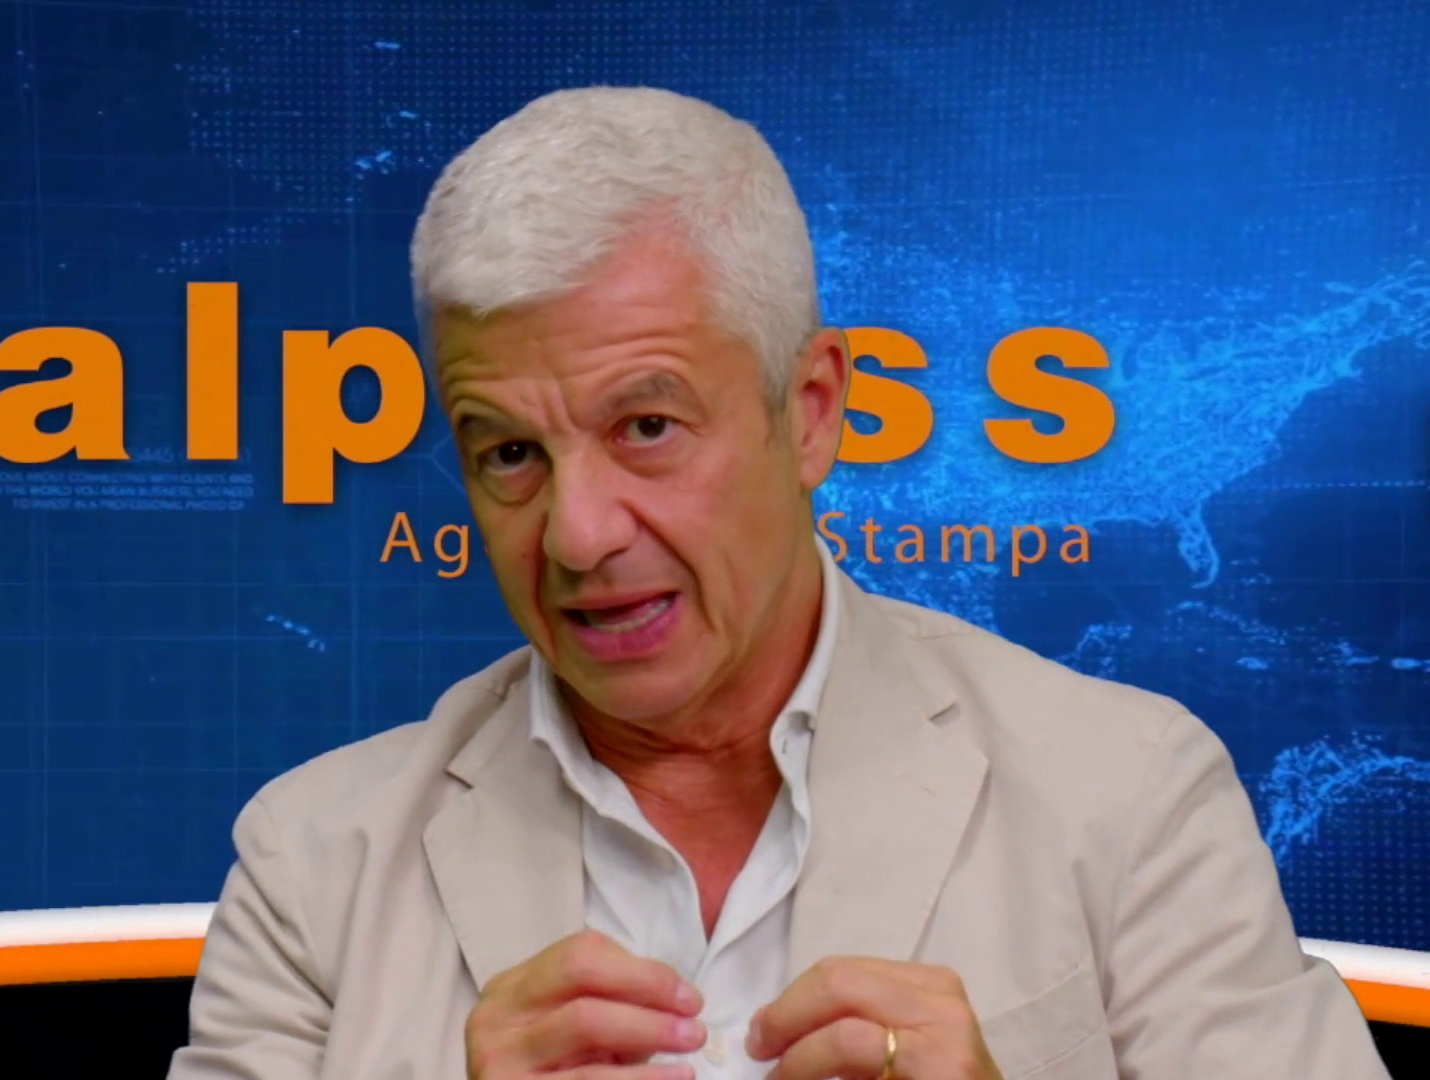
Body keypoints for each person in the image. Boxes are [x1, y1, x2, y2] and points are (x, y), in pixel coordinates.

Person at [165, 86, 1390, 1080]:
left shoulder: (1130, 796)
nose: (577, 536)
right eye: (511, 454)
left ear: (808, 414)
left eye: (647, 426)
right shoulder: (313, 866)